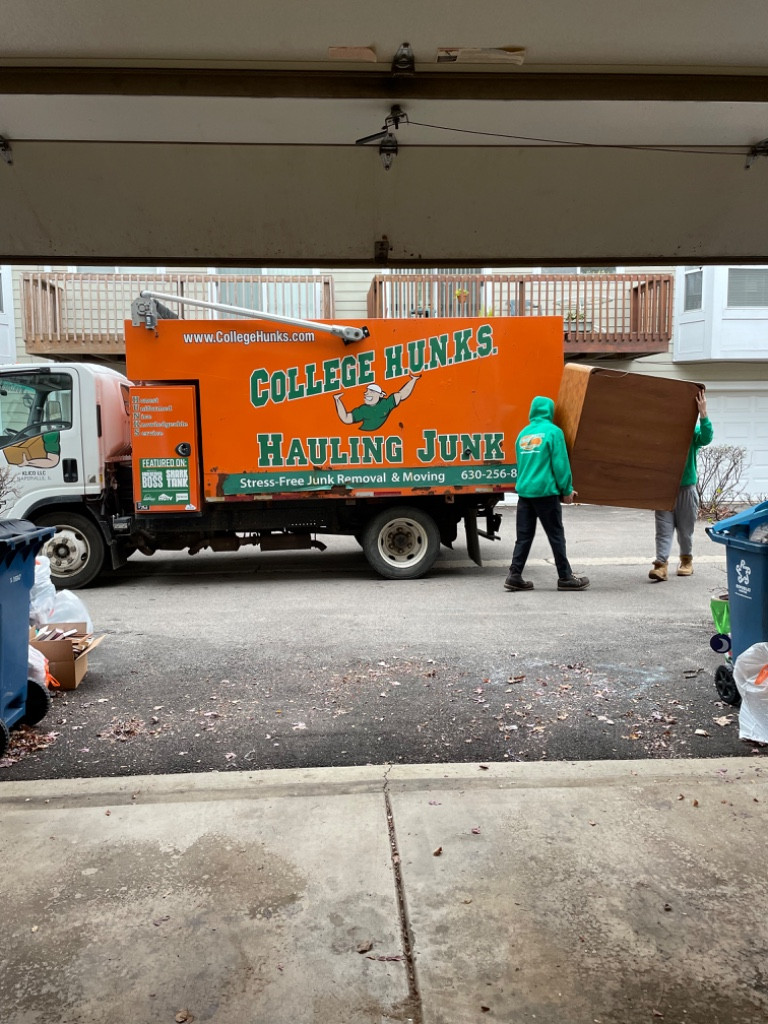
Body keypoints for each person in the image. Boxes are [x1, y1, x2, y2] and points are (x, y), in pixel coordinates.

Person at [504, 395, 589, 592]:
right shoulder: (553, 432)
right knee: (556, 536)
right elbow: (560, 464)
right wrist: (566, 489)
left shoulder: (523, 434)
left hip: (525, 494)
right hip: (545, 493)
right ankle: (565, 577)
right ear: (550, 411)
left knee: (523, 537)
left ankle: (514, 575)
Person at [648, 389, 713, 581]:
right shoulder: (658, 434)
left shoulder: (690, 432)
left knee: (685, 531)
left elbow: (707, 437)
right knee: (663, 530)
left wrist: (703, 414)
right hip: (664, 489)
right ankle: (661, 565)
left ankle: (686, 561)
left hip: (686, 488)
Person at [333, 375, 420, 431]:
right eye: (367, 391)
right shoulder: (363, 410)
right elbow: (346, 418)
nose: (367, 393)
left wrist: (413, 380)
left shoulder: (385, 404)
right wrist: (337, 400)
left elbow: (402, 394)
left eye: (371, 391)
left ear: (380, 395)